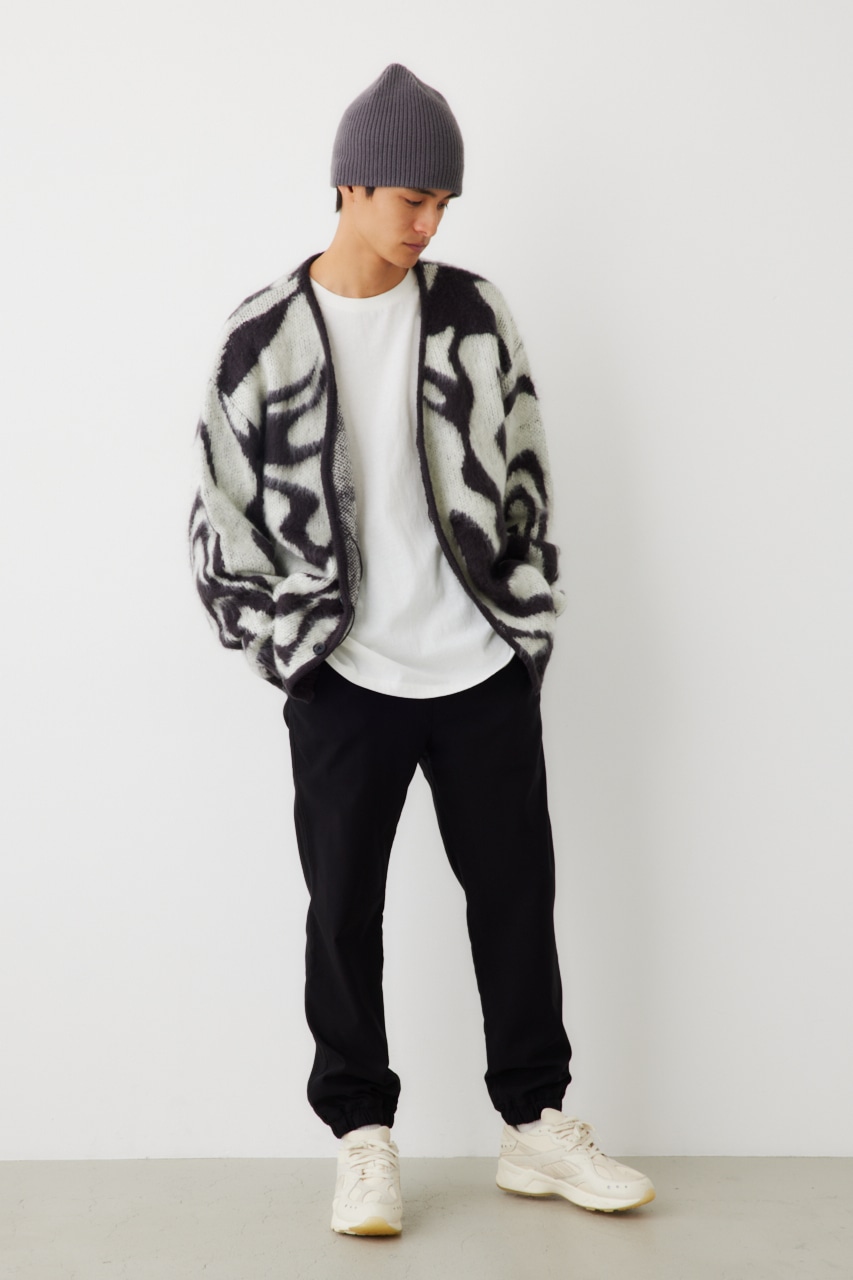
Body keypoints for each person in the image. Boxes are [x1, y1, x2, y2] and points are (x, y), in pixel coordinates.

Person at [188, 62, 655, 1235]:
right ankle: (362, 1137)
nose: (429, 223)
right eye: (412, 198)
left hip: (477, 666)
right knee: (342, 910)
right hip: (344, 674)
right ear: (349, 186)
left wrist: (523, 617)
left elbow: (526, 471)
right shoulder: (261, 336)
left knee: (515, 897)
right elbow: (217, 521)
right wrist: (286, 646)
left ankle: (534, 1123)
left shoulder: (473, 315)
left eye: (444, 203)